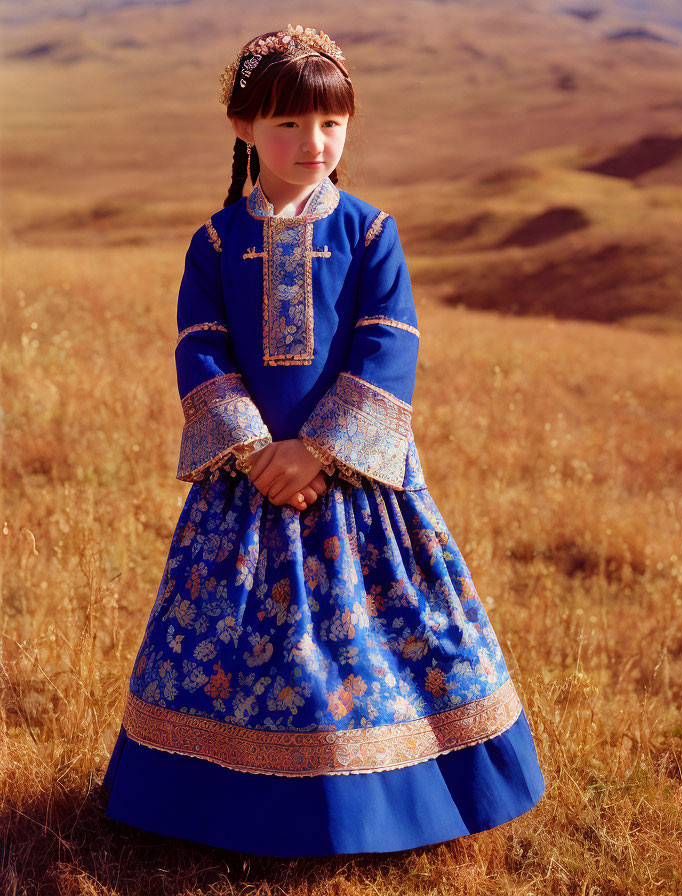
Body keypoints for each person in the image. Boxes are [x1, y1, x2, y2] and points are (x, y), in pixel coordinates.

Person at [101, 24, 545, 858]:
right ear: (243, 128)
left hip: (359, 484)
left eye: (331, 125)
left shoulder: (372, 234)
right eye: (288, 126)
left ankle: (395, 802)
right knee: (227, 644)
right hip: (247, 481)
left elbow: (390, 339)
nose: (315, 144)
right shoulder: (214, 241)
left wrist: (320, 449)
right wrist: (255, 448)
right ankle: (215, 808)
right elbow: (199, 341)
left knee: (378, 638)